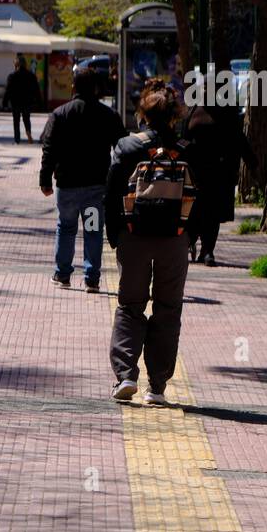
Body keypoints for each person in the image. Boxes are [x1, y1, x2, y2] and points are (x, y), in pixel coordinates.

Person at [105, 78, 200, 406]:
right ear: (175, 115)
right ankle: (157, 387)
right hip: (175, 239)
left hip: (134, 236)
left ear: (142, 114)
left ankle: (126, 375)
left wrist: (115, 234)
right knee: (168, 308)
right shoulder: (187, 150)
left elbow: (112, 194)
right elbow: (201, 197)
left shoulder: (127, 147)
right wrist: (191, 236)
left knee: (130, 305)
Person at [39, 60, 126, 291]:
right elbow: (123, 147)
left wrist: (45, 180)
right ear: (95, 88)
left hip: (67, 184)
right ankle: (92, 278)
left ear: (73, 87)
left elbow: (49, 149)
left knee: (66, 227)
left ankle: (63, 274)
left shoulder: (60, 114)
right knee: (93, 230)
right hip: (96, 185)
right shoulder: (108, 115)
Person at [184, 94, 255, 265]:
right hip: (199, 173)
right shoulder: (194, 111)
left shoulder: (224, 113)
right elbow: (184, 138)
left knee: (210, 213)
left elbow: (239, 139)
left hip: (217, 173)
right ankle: (197, 246)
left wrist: (252, 162)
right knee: (200, 213)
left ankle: (207, 250)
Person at [3, 57, 42, 144]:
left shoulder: (12, 76)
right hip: (27, 101)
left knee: (16, 120)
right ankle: (28, 132)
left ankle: (17, 139)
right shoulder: (31, 76)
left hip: (15, 102)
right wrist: (39, 102)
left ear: (16, 65)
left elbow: (8, 90)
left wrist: (5, 103)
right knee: (26, 118)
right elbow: (36, 90)